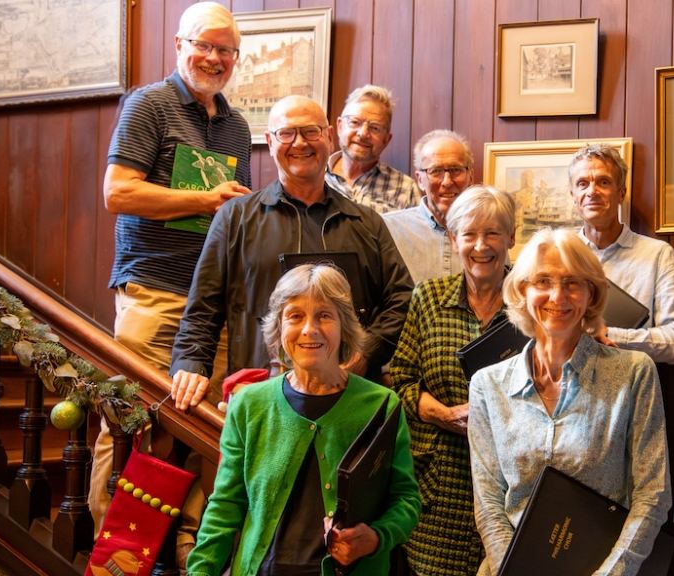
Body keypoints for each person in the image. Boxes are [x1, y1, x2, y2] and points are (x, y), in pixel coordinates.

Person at [93, 0, 251, 554]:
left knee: (200, 432)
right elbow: (118, 192)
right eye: (203, 45)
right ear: (179, 46)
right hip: (153, 293)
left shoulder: (237, 127)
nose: (214, 57)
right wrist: (207, 199)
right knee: (133, 424)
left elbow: (232, 216)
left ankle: (182, 549)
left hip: (212, 306)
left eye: (225, 49)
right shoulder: (150, 104)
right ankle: (113, 550)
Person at [170, 95, 413, 407]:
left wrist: (366, 353)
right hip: (259, 396)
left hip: (348, 398)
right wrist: (190, 365)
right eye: (286, 134)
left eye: (310, 132)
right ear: (270, 142)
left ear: (327, 136)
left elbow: (403, 299)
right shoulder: (235, 218)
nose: (300, 143)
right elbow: (202, 307)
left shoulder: (366, 222)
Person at [186, 264, 421, 575]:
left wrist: (377, 537)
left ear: (344, 326)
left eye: (324, 315)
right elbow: (225, 507)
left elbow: (406, 501)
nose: (309, 329)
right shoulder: (248, 405)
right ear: (279, 328)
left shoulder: (381, 405)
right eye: (295, 316)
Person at [468, 228, 671, 576]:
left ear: (591, 294)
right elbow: (487, 502)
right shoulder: (488, 385)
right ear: (522, 291)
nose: (557, 296)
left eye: (573, 283)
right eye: (543, 281)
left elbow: (653, 495)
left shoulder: (634, 374)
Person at [390, 186, 516, 575]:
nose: (481, 246)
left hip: (512, 484)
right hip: (440, 484)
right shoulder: (429, 297)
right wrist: (443, 414)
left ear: (511, 238)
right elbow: (402, 381)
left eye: (493, 233)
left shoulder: (531, 303)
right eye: (469, 234)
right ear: (452, 238)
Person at [570, 144, 674, 364]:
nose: (592, 191)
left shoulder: (658, 255)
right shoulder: (557, 256)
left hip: (630, 387)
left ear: (621, 193)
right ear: (573, 195)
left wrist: (609, 335)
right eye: (583, 183)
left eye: (603, 182)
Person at [383, 129, 474, 283]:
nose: (447, 181)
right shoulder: (389, 229)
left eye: (456, 170)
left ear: (470, 176)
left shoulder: (488, 230)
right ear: (419, 179)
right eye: (436, 171)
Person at [325, 84, 421, 213]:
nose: (363, 134)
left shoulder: (405, 188)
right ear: (340, 126)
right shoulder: (312, 177)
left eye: (375, 128)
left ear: (387, 139)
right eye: (354, 122)